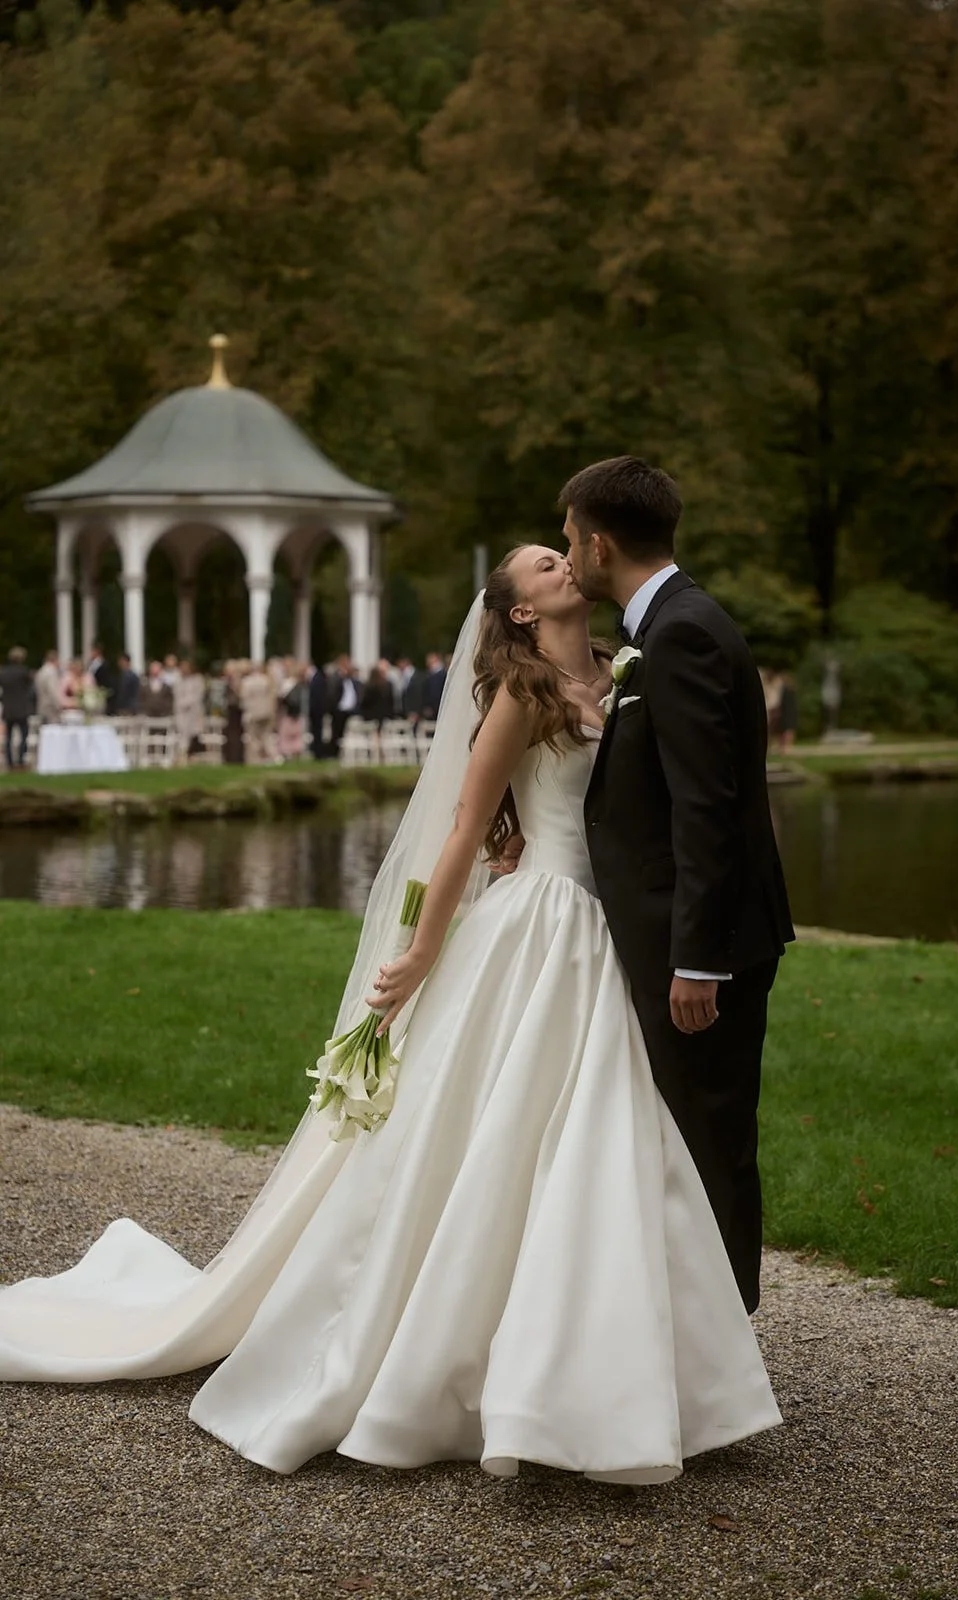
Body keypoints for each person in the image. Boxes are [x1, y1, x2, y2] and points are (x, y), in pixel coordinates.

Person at [0, 544, 781, 1483]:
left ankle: (607, 1373)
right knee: (504, 1136)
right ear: (522, 611)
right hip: (537, 924)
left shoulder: (625, 672)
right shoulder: (521, 696)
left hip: (605, 931)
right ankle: (453, 1364)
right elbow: (463, 825)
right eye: (543, 562)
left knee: (602, 1140)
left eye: (562, 549)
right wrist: (418, 950)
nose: (564, 560)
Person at [563, 456, 794, 1314]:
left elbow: (709, 809)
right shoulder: (662, 629)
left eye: (568, 541)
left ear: (598, 542)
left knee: (708, 1142)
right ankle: (697, 1344)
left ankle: (722, 1349)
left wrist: (697, 960)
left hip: (704, 947)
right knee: (687, 1138)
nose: (569, 557)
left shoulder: (682, 634)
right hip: (678, 936)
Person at [0, 647, 34, 769]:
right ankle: (20, 758)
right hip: (22, 709)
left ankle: (9, 760)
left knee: (8, 737)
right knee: (23, 735)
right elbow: (30, 688)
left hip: (8, 709)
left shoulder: (3, 672)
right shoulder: (24, 672)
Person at [239, 662, 277, 765]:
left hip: (253, 713)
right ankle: (274, 757)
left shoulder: (247, 682)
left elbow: (244, 697)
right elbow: (273, 696)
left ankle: (255, 760)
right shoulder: (267, 680)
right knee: (266, 735)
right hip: (267, 712)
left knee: (253, 737)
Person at [173, 659, 206, 762]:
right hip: (182, 713)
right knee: (182, 734)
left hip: (194, 712)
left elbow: (198, 696)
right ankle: (182, 754)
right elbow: (177, 696)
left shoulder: (197, 679)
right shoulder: (178, 681)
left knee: (195, 733)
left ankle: (193, 755)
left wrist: (188, 702)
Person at [34, 651, 62, 726]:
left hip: (42, 705)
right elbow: (53, 691)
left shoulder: (41, 671)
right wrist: (59, 705)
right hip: (50, 707)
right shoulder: (51, 672)